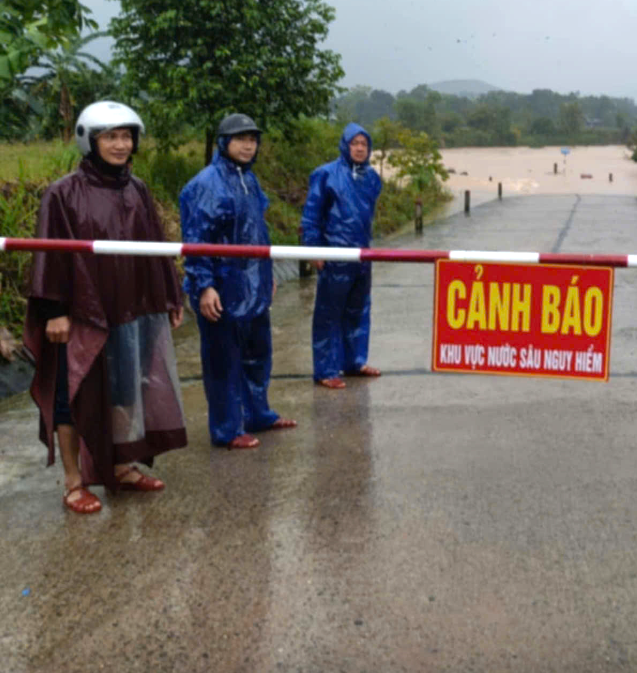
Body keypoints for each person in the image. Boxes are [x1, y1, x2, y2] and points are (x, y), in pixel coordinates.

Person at [25, 101, 187, 515]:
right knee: (72, 394)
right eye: (111, 136)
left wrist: (170, 295)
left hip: (131, 309)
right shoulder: (63, 193)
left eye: (126, 136)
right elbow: (50, 254)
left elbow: (156, 246)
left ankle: (121, 466)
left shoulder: (137, 190)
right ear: (90, 140)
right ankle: (74, 482)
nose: (120, 145)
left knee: (126, 388)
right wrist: (54, 310)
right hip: (82, 313)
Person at [179, 113, 297, 449]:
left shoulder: (251, 180)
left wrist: (266, 273)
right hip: (222, 284)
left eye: (253, 139)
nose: (248, 145)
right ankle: (227, 428)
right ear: (224, 142)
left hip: (253, 281)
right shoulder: (205, 184)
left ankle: (257, 414)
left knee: (258, 353)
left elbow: (260, 231)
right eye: (241, 138)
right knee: (222, 360)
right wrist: (204, 286)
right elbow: (196, 240)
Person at [301, 123, 382, 387]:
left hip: (362, 254)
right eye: (355, 143)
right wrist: (313, 247)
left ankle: (355, 362)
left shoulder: (372, 178)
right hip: (334, 253)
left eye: (364, 144)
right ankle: (326, 370)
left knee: (359, 309)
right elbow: (311, 214)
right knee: (329, 312)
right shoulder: (325, 174)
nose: (360, 148)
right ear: (345, 145)